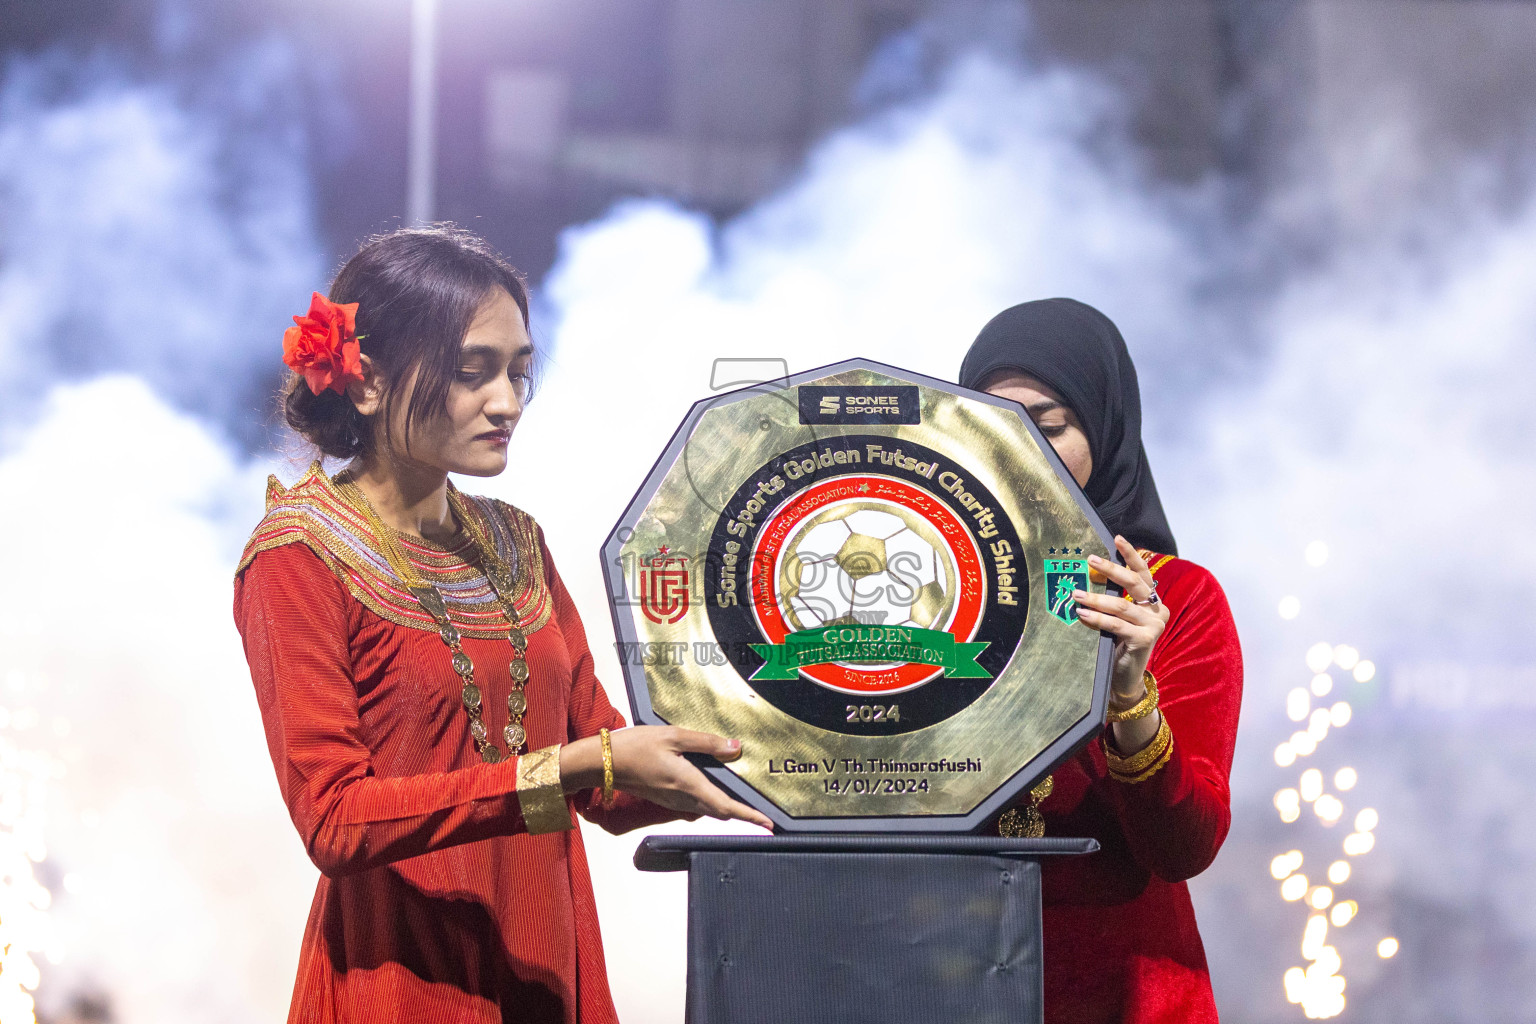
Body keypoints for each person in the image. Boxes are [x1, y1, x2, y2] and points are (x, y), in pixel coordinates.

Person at [233, 225, 772, 1024]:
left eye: (520, 372)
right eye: (472, 372)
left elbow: (610, 777)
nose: (508, 403)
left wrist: (792, 740)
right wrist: (574, 767)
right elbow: (336, 819)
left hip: (543, 964)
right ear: (370, 382)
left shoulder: (517, 540)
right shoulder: (299, 555)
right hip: (405, 980)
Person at [959, 298, 1243, 1024]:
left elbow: (1184, 845)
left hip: (1124, 989)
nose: (1022, 452)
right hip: (943, 970)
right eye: (994, 427)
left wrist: (1127, 694)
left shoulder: (1177, 598)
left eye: (1049, 427)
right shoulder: (931, 592)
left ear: (1105, 426)